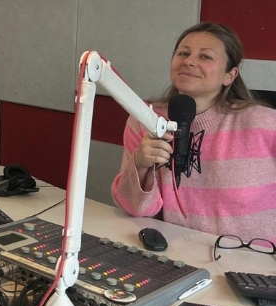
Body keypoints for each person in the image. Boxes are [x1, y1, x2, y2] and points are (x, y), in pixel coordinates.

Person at [111, 21, 276, 240]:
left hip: (250, 257)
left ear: (229, 75)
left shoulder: (265, 123)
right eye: (183, 53)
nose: (189, 61)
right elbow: (135, 209)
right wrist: (140, 164)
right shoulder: (145, 119)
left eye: (205, 56)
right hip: (177, 252)